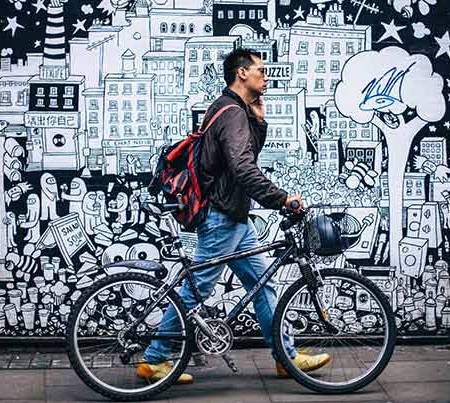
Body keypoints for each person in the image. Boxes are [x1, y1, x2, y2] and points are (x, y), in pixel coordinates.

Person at [137, 48, 331, 384]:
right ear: (241, 73)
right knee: (197, 290)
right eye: (260, 70)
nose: (265, 76)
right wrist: (283, 199)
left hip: (235, 217)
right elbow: (244, 168)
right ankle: (154, 359)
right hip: (222, 216)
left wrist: (259, 118)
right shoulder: (231, 113)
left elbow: (243, 156)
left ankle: (285, 357)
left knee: (261, 282)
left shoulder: (234, 110)